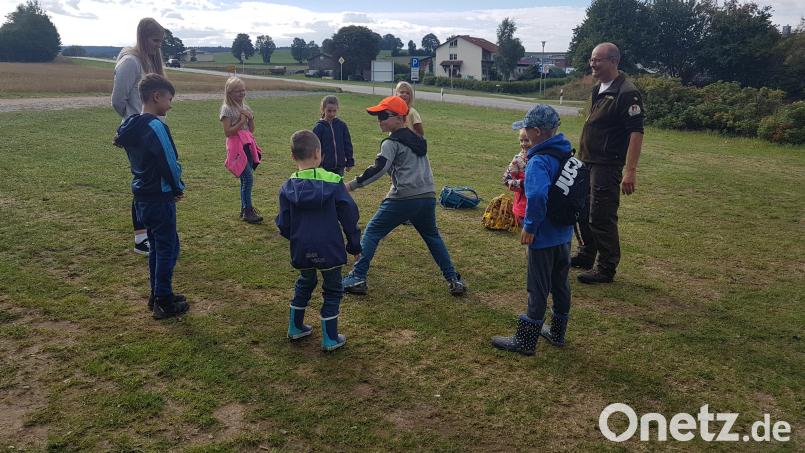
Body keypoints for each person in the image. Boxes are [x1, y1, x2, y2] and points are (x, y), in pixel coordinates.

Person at [341, 96, 466, 296]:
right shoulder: (418, 140)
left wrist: (351, 185)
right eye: (377, 116)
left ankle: (357, 277)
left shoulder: (390, 143)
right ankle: (454, 279)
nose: (379, 120)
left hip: (404, 198)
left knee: (372, 231)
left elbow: (379, 168)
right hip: (427, 196)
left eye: (383, 116)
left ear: (400, 118)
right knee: (432, 236)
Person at [491, 104, 573, 356]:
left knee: (537, 287)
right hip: (564, 234)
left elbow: (536, 195)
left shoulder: (538, 161)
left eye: (526, 128)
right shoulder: (566, 153)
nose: (524, 132)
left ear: (536, 132)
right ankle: (557, 332)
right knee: (560, 284)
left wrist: (530, 226)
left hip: (543, 235)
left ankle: (525, 342)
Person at [276, 130, 361, 352]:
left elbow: (283, 222)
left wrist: (295, 238)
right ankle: (330, 338)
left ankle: (295, 327)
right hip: (329, 247)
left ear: (292, 156)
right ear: (318, 153)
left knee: (305, 281)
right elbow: (350, 216)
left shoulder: (287, 187)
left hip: (302, 247)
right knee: (332, 289)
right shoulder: (334, 182)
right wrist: (354, 245)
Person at [114, 74, 189, 320]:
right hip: (159, 197)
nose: (170, 104)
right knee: (168, 246)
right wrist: (177, 187)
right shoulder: (156, 126)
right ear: (156, 97)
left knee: (157, 245)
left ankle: (157, 293)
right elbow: (168, 161)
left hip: (142, 197)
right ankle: (164, 301)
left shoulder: (131, 125)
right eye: (169, 99)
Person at [572, 42, 645, 284]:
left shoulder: (626, 92)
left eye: (598, 60)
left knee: (601, 216)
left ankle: (606, 268)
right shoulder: (599, 89)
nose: (592, 63)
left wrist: (630, 171)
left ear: (614, 61)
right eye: (592, 59)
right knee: (582, 211)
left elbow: (636, 132)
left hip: (606, 164)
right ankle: (587, 254)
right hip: (587, 161)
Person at [112, 17, 166, 256]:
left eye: (161, 41)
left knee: (153, 182)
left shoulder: (151, 62)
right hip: (139, 134)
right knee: (144, 183)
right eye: (155, 41)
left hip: (153, 131)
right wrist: (135, 123)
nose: (158, 46)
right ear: (143, 38)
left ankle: (150, 231)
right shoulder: (130, 62)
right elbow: (117, 100)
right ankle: (140, 237)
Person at [221, 76, 263, 224]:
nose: (242, 93)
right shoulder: (227, 110)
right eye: (238, 91)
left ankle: (245, 209)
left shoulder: (245, 107)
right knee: (248, 178)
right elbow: (228, 132)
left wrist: (250, 119)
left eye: (243, 90)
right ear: (230, 93)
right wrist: (241, 121)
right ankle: (247, 210)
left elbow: (251, 130)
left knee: (246, 178)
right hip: (236, 146)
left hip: (247, 144)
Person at [312, 95, 354, 175]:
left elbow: (347, 144)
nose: (332, 114)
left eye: (334, 111)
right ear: (323, 109)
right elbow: (314, 148)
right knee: (325, 187)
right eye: (329, 111)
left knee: (337, 187)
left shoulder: (342, 126)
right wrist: (316, 163)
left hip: (340, 167)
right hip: (324, 167)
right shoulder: (319, 127)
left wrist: (350, 162)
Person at [502, 128, 532, 225]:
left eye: (527, 140)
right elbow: (506, 179)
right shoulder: (517, 159)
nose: (523, 143)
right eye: (521, 140)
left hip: (539, 205)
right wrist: (521, 184)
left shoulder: (542, 157)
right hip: (523, 205)